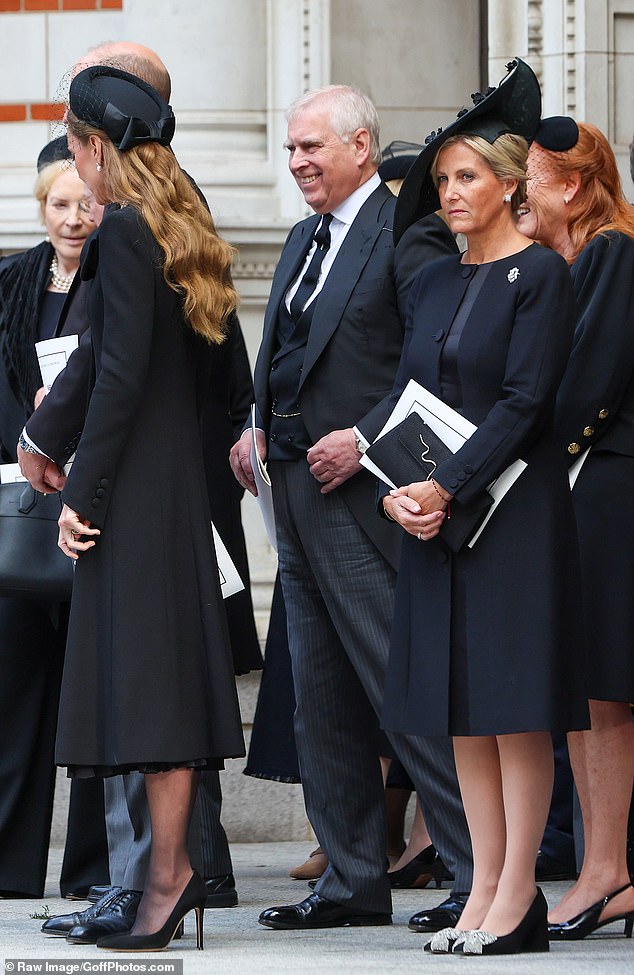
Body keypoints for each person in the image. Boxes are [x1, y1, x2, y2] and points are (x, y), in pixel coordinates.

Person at [22, 43, 256, 943]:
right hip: (172, 486)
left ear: (91, 147)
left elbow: (114, 373)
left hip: (134, 491)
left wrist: (81, 485)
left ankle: (168, 878)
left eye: (75, 145)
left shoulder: (122, 229)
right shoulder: (174, 217)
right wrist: (51, 441)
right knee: (162, 694)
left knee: (151, 697)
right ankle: (167, 875)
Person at [230, 82, 473, 932]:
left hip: (363, 497)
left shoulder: (407, 232)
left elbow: (434, 356)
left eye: (311, 147)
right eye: (292, 148)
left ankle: (477, 870)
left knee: (396, 682)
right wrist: (254, 430)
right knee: (319, 697)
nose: (297, 161)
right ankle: (351, 880)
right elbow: (283, 358)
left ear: (362, 147)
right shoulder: (300, 239)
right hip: (289, 490)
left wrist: (366, 440)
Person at [381, 59, 589, 956]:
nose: (451, 191)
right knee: (463, 705)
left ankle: (518, 897)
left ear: (509, 184)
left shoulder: (541, 275)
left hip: (513, 515)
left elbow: (523, 400)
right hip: (438, 516)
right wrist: (402, 489)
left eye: (467, 176)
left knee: (514, 705)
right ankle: (480, 887)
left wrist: (447, 485)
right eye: (443, 179)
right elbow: (405, 399)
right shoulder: (429, 278)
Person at [517, 116, 634, 940]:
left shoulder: (613, 251)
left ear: (575, 184)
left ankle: (607, 869)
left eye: (529, 174)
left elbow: (586, 379)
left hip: (608, 487)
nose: (518, 187)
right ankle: (607, 868)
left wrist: (511, 454)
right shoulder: (575, 258)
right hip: (586, 485)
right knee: (590, 691)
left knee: (604, 691)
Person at [0, 137, 109, 900]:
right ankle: (9, 867)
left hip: (97, 507)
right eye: (60, 205)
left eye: (86, 203)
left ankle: (94, 872)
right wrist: (28, 441)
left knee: (97, 695)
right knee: (11, 692)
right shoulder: (10, 283)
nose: (74, 218)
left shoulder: (118, 280)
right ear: (41, 210)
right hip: (20, 510)